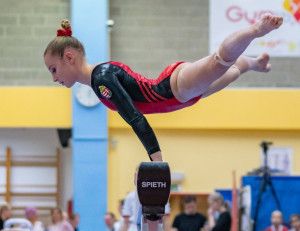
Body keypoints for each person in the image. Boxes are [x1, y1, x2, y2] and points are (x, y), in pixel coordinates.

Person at [44, 14, 283, 161]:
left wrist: (155, 158)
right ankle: (255, 63)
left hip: (172, 88)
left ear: (69, 57)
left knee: (218, 62)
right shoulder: (98, 82)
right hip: (179, 98)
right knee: (231, 73)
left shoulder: (102, 78)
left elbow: (134, 117)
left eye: (53, 69)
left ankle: (257, 29)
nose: (54, 78)